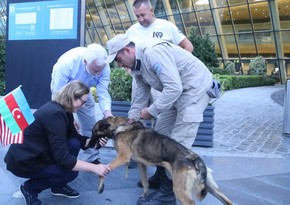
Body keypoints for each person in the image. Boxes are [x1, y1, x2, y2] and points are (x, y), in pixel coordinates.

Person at [105, 34, 212, 205]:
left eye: (118, 59)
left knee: (177, 143)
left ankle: (168, 195)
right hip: (177, 93)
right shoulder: (136, 66)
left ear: (127, 50)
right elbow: (140, 95)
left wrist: (152, 110)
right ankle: (162, 178)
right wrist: (130, 121)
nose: (119, 64)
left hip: (194, 90)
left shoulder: (152, 53)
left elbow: (174, 87)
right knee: (159, 135)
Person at [4, 80, 111, 205]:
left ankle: (57, 186)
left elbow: (77, 138)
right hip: (24, 161)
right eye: (82, 102)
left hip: (39, 152)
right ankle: (29, 188)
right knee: (70, 173)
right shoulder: (54, 114)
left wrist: (95, 142)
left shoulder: (65, 111)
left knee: (74, 143)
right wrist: (94, 168)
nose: (83, 106)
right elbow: (64, 159)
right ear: (72, 96)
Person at [50, 43, 113, 165]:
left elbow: (103, 92)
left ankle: (92, 157)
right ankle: (61, 156)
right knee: (63, 124)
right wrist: (69, 117)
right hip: (64, 92)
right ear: (85, 62)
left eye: (101, 71)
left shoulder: (104, 66)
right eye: (95, 70)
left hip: (85, 91)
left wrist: (108, 113)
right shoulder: (67, 64)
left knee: (90, 123)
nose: (98, 74)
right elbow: (57, 94)